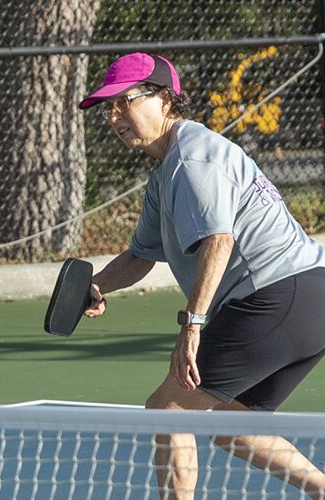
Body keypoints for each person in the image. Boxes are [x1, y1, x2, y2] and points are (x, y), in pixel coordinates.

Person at [78, 52, 325, 499]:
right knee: (234, 428)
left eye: (124, 101)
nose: (114, 115)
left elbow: (219, 241)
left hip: (275, 296)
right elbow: (139, 256)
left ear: (165, 100)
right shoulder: (166, 170)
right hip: (308, 299)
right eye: (108, 107)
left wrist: (192, 327)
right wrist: (96, 285)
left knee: (167, 411)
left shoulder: (194, 158)